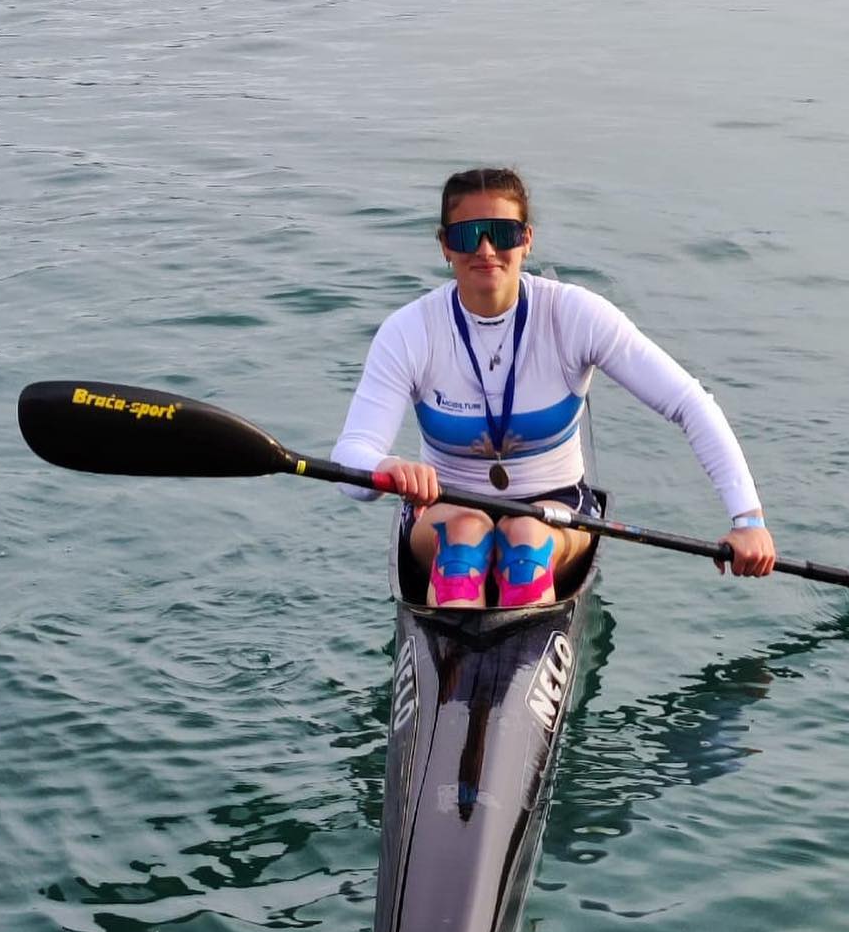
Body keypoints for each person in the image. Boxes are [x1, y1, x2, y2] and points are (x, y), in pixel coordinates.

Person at [331, 168, 776, 607]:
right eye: (467, 236)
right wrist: (388, 467)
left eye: (502, 233)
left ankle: (512, 653)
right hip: (445, 508)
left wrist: (748, 519)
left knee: (523, 544)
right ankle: (452, 668)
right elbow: (352, 457)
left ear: (526, 240)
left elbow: (689, 403)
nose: (486, 250)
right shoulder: (410, 331)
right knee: (465, 539)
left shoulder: (574, 315)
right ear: (445, 246)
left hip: (555, 508)